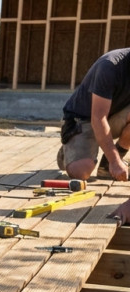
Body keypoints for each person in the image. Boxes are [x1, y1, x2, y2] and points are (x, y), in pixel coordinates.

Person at [58, 47, 130, 225]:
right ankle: (67, 151)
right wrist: (116, 162)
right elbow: (98, 118)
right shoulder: (110, 66)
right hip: (84, 119)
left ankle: (107, 165)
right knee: (81, 172)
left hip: (114, 116)